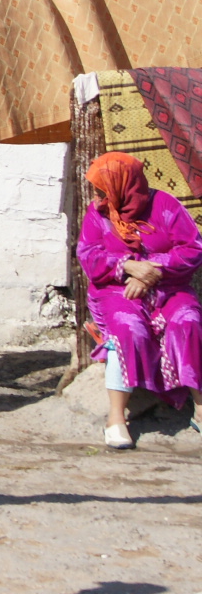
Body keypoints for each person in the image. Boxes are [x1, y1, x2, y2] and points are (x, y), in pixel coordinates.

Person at [78, 152, 202, 450]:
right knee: (128, 327)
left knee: (189, 321)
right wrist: (128, 266)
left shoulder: (166, 206)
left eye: (102, 192)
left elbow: (192, 249)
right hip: (116, 291)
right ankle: (116, 417)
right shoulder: (97, 215)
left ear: (124, 186)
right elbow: (89, 255)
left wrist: (151, 271)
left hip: (167, 287)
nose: (97, 199)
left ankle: (199, 407)